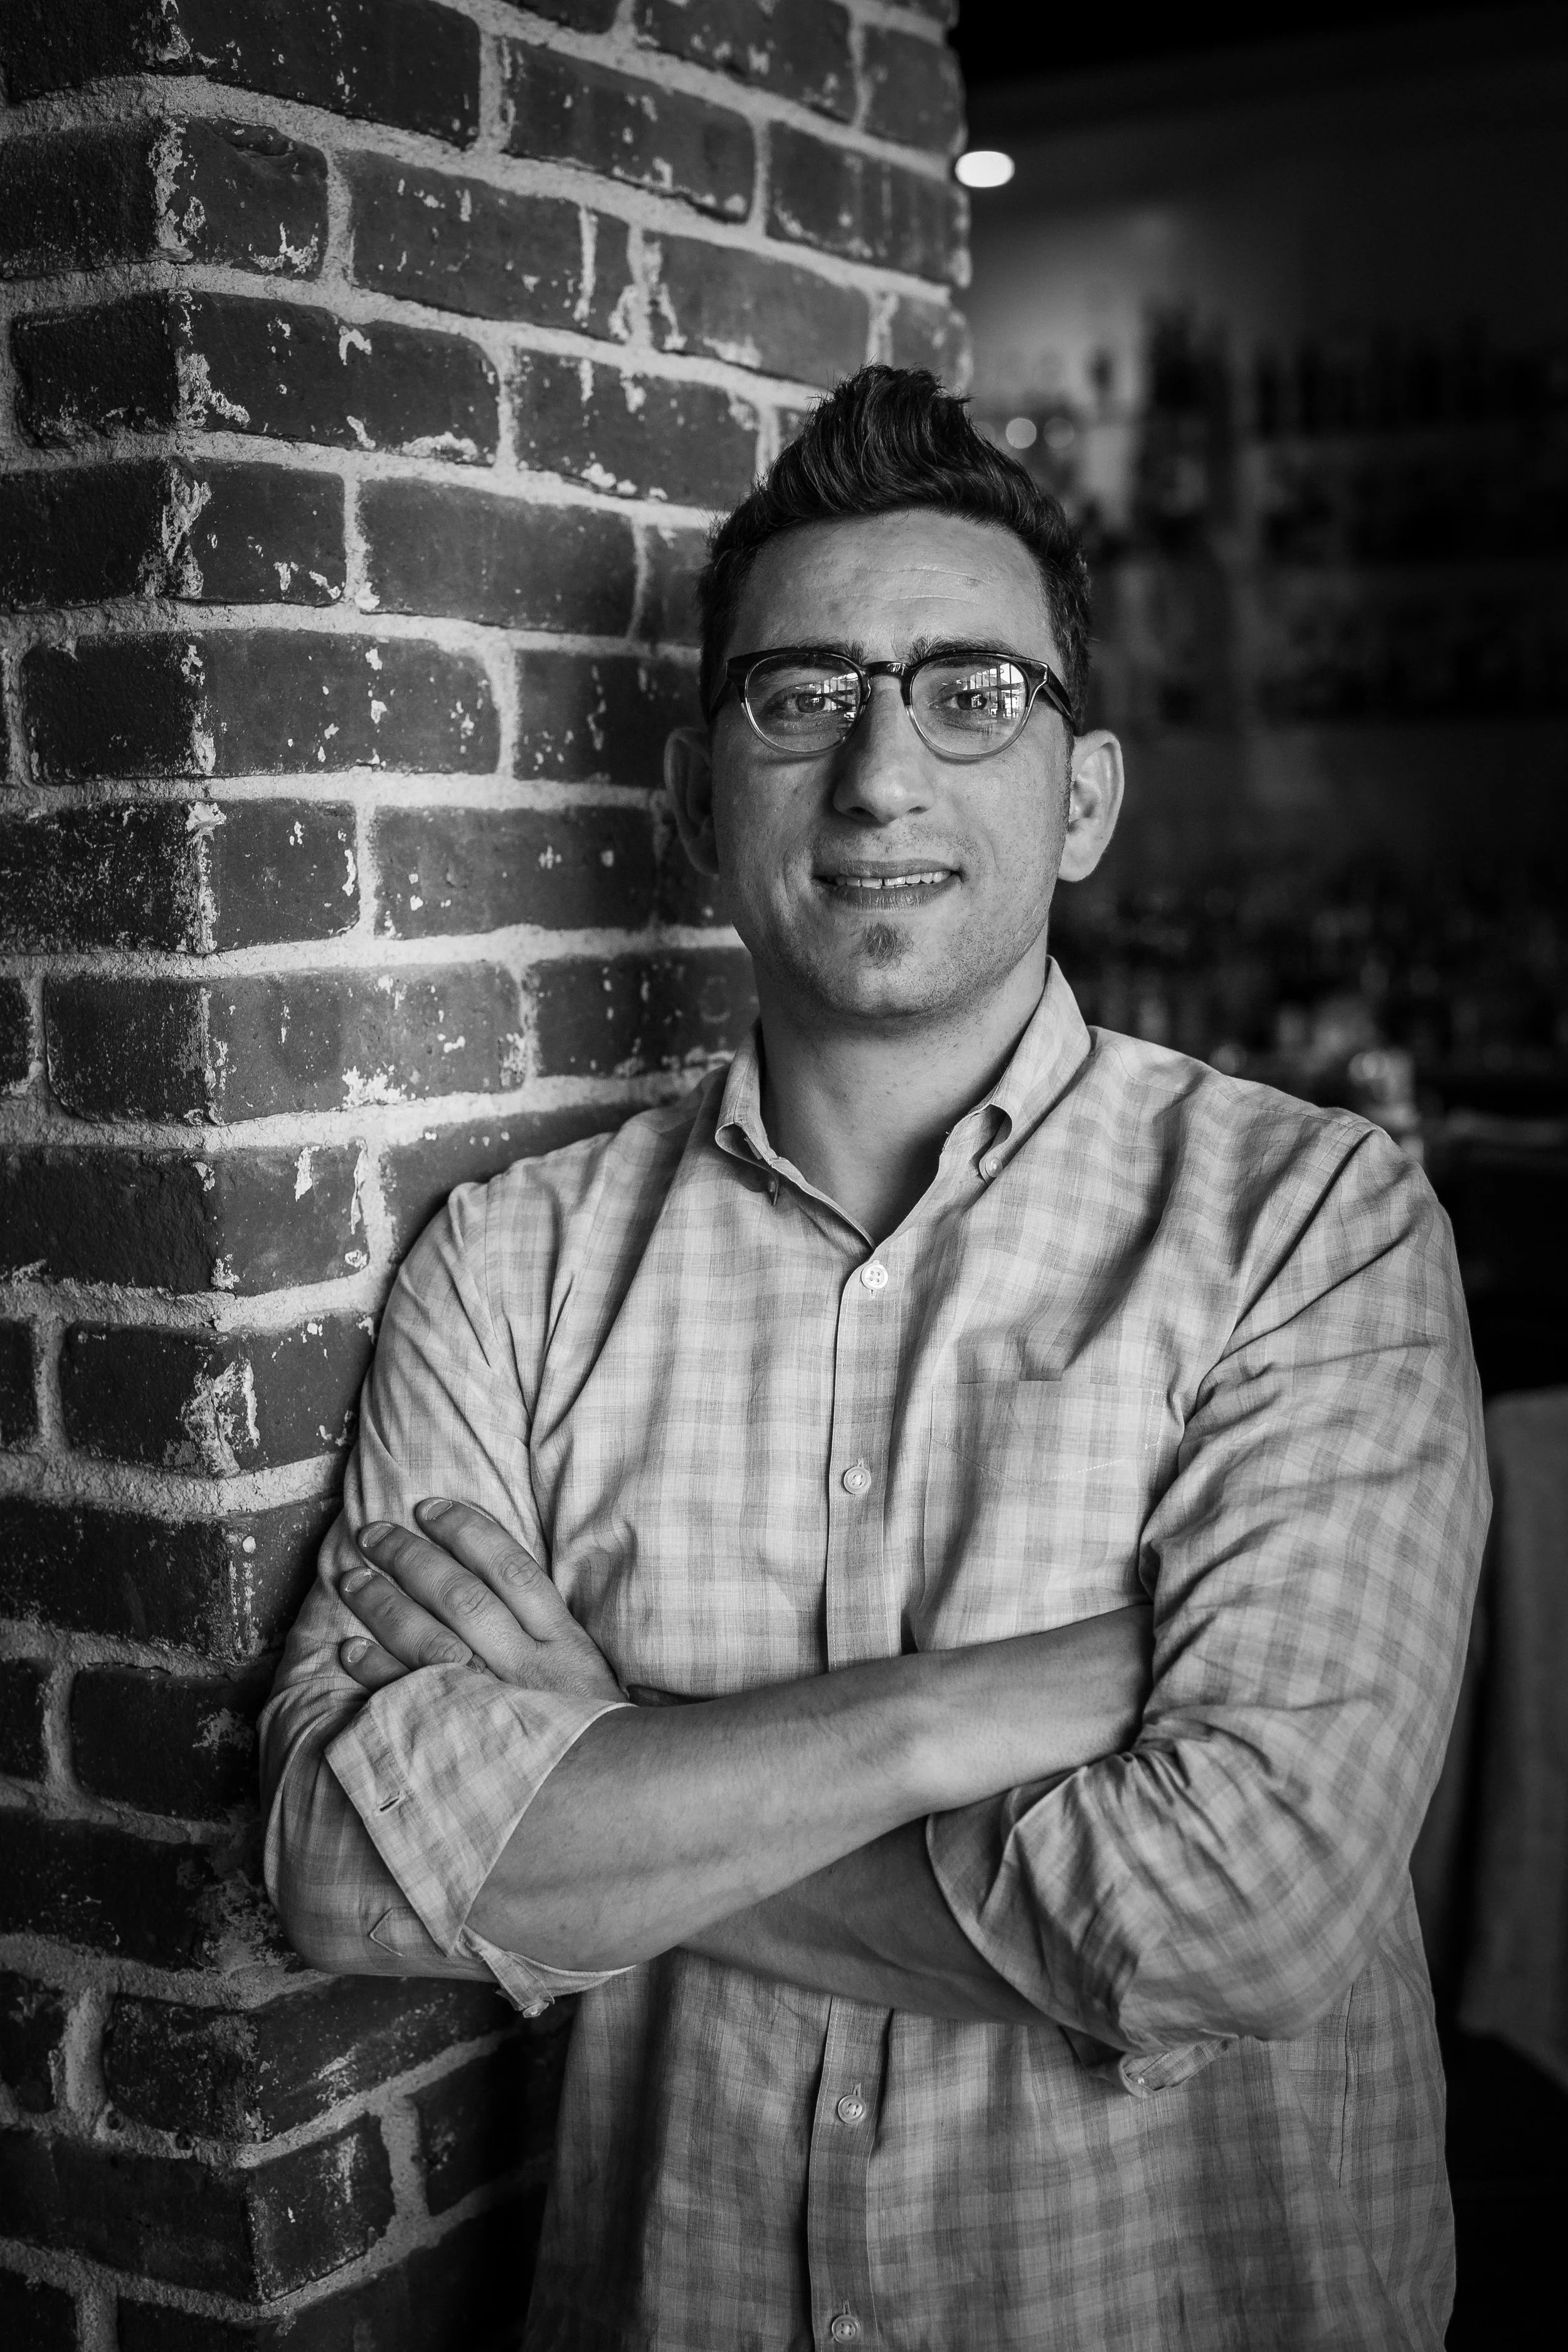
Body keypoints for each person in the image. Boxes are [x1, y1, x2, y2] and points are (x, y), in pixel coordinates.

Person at [261, 367, 1488, 2350]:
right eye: (800, 695)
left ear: (1079, 794)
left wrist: (620, 1762)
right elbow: (337, 1852)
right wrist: (955, 1718)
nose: (879, 774)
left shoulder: (1312, 1228)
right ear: (696, 797)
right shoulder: (513, 1264)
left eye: (970, 695)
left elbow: (1240, 1908)